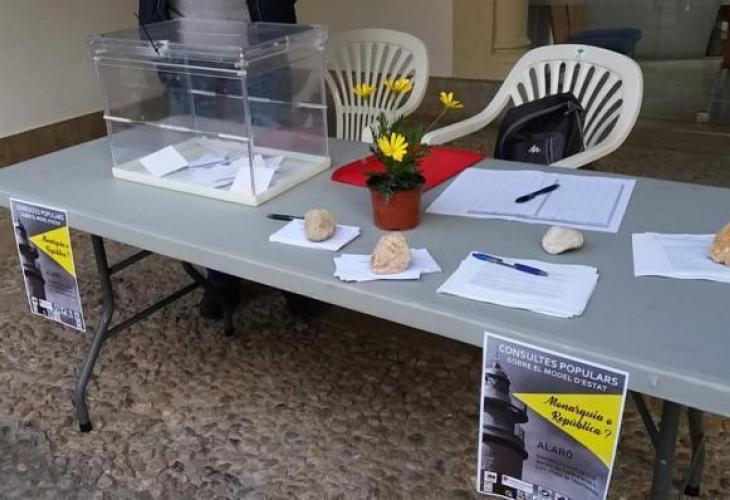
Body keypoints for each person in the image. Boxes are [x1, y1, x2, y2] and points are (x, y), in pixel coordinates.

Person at [138, 0, 315, 321]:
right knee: (204, 171)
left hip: (260, 50)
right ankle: (221, 277)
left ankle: (291, 276)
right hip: (184, 58)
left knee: (276, 165)